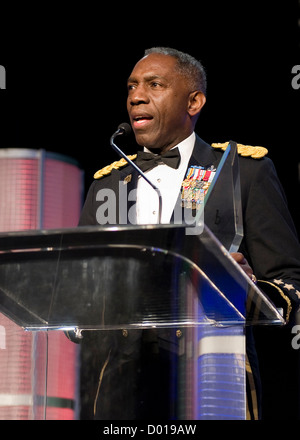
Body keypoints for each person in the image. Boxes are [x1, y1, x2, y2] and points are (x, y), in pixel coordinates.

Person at [78, 47, 300, 419]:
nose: (136, 96)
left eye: (154, 84)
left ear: (194, 101)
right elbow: (77, 291)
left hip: (213, 383)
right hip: (120, 395)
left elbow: (290, 285)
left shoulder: (242, 171)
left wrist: (244, 292)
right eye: (132, 86)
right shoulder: (109, 184)